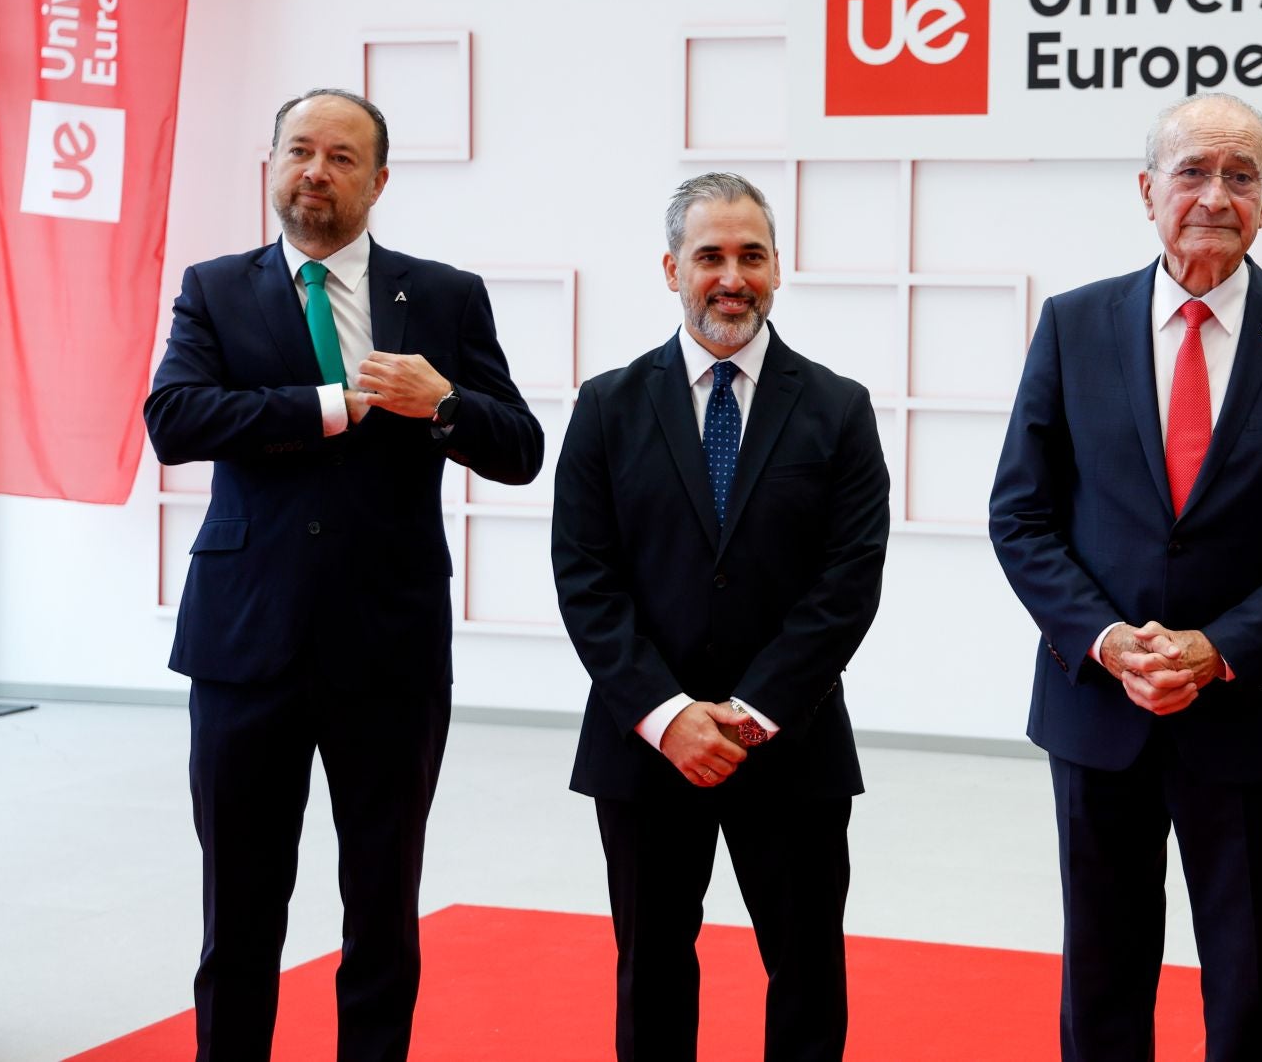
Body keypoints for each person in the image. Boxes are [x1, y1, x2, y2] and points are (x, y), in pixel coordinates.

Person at [144, 89, 545, 1060]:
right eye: (298, 151)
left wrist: (443, 401)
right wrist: (328, 404)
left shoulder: (443, 296)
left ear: (379, 180)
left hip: (389, 649)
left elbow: (522, 446)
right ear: (272, 164)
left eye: (340, 157)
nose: (314, 171)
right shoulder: (215, 288)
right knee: (237, 911)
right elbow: (176, 419)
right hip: (246, 646)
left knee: (381, 908)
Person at [989, 93, 1262, 1061]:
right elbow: (1021, 511)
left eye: (1240, 175)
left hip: (1254, 714)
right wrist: (1105, 637)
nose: (1215, 195)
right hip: (1099, 706)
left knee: (1248, 992)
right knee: (1102, 979)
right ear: (1147, 190)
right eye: (1193, 171)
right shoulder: (1074, 324)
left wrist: (1218, 651)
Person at [551, 171, 889, 1062]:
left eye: (751, 255)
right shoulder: (605, 407)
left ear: (779, 267)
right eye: (709, 255)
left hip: (792, 740)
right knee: (652, 970)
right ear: (672, 268)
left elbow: (849, 580)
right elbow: (585, 577)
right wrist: (669, 716)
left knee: (808, 970)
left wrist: (752, 713)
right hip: (645, 745)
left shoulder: (838, 409)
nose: (730, 276)